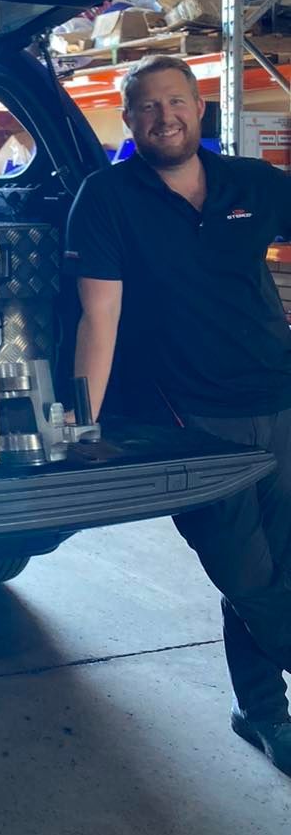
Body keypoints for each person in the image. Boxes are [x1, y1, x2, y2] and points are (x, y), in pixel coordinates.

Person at [67, 54, 291, 774]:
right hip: (190, 422)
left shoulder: (251, 184)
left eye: (177, 102)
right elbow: (98, 319)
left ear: (200, 109)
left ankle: (262, 714)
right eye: (148, 107)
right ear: (130, 121)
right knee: (247, 577)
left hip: (281, 401)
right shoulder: (107, 197)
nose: (166, 117)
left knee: (278, 571)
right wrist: (80, 427)